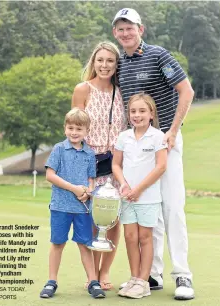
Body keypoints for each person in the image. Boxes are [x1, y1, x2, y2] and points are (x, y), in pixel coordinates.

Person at [112, 8, 195, 300]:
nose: (125, 33)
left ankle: (182, 274)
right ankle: (153, 274)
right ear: (115, 33)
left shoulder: (159, 55)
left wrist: (173, 131)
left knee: (172, 206)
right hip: (138, 144)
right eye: (120, 29)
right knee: (150, 207)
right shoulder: (120, 64)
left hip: (165, 140)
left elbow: (186, 91)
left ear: (141, 29)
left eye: (130, 28)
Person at [72, 41, 127, 290]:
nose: (104, 65)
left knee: (113, 220)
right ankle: (92, 274)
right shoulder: (83, 89)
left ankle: (105, 273)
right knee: (93, 221)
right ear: (93, 62)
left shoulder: (122, 91)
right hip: (90, 164)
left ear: (116, 65)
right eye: (100, 60)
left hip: (117, 164)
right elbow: (74, 129)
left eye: (110, 61)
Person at [40, 108, 106, 299]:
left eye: (79, 128)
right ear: (65, 128)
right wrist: (74, 188)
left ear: (86, 131)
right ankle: (51, 281)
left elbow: (91, 179)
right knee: (58, 243)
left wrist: (88, 192)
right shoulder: (59, 149)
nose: (74, 132)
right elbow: (50, 175)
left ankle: (93, 282)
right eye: (70, 128)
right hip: (60, 206)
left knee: (85, 245)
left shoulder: (89, 153)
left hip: (82, 209)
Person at [112, 93, 167, 299]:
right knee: (129, 237)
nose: (137, 115)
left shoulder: (158, 136)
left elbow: (161, 166)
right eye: (133, 111)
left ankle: (144, 282)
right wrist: (125, 184)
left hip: (148, 197)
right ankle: (134, 278)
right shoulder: (123, 137)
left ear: (151, 114)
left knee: (145, 238)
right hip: (127, 196)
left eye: (142, 111)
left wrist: (139, 189)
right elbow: (116, 164)